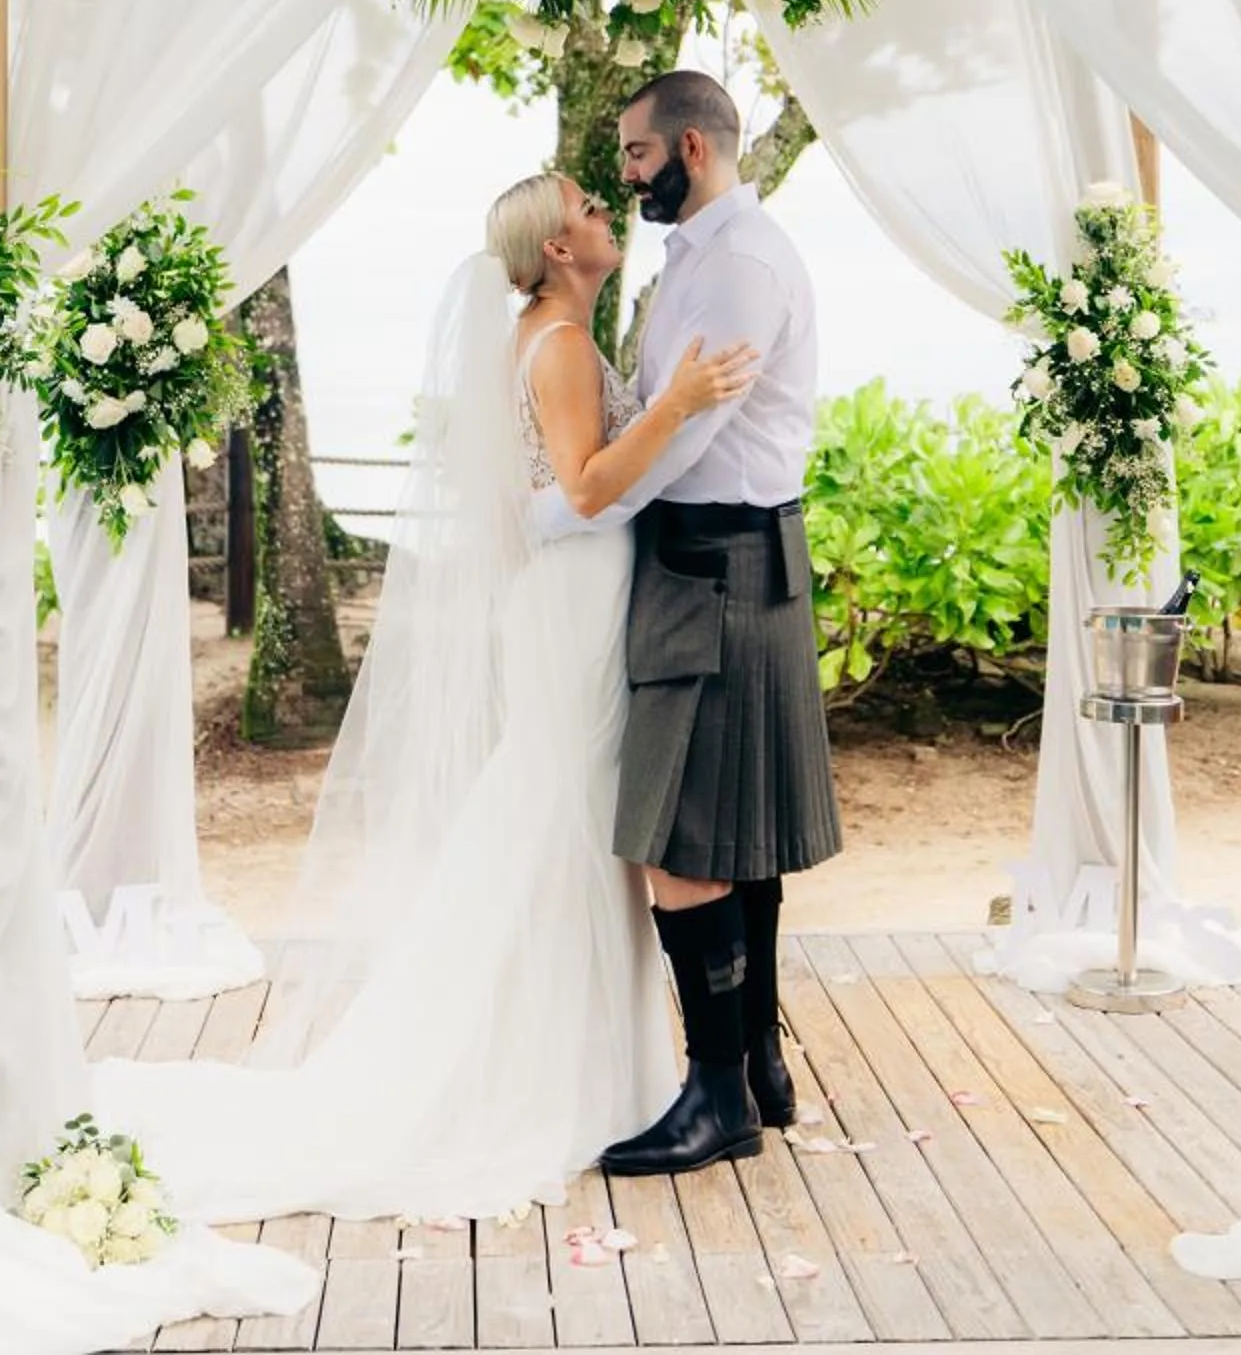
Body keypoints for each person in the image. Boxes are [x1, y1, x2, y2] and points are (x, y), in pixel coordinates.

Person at [90, 174, 754, 1223]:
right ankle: (556, 1074)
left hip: (561, 597)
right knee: (566, 817)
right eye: (585, 205)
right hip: (579, 601)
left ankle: (582, 1065)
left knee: (560, 813)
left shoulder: (533, 336)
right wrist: (677, 402)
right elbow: (583, 487)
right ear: (558, 248)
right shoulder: (563, 345)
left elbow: (534, 493)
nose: (600, 211)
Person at [558, 69, 842, 1178]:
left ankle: (718, 1093)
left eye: (631, 154)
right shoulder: (712, 255)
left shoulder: (739, 265)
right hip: (731, 555)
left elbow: (680, 439)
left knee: (684, 843)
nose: (622, 174)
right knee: (738, 839)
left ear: (687, 149)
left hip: (714, 560)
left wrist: (583, 500)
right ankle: (759, 1068)